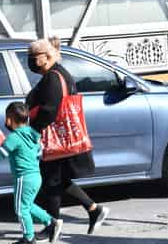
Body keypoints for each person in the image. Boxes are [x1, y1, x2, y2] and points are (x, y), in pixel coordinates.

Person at [25, 38, 110, 242]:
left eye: (32, 57)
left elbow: (50, 110)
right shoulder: (56, 74)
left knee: (51, 182)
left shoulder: (53, 77)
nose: (29, 61)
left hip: (52, 136)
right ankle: (93, 209)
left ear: (46, 57)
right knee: (57, 179)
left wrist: (33, 132)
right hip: (60, 137)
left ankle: (52, 225)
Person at [0, 102, 63, 244]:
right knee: (27, 205)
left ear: (10, 119)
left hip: (23, 178)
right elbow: (39, 154)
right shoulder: (34, 136)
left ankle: (29, 238)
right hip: (36, 177)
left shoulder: (14, 137)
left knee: (21, 209)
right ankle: (51, 222)